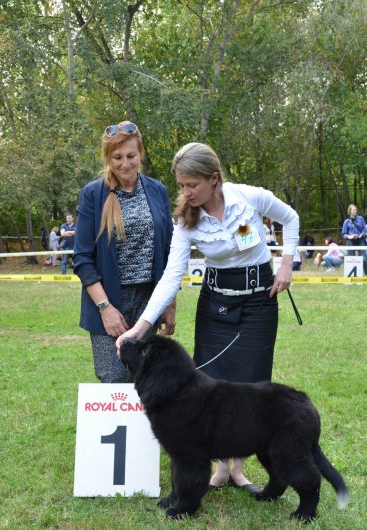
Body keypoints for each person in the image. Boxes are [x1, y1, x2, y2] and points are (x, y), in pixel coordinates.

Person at [117, 141, 299, 495]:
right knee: (210, 385)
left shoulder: (249, 198)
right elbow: (172, 276)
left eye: (192, 185)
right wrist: (141, 328)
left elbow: (290, 218)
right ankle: (219, 466)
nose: (185, 193)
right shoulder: (186, 220)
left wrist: (287, 264)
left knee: (250, 384)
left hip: (259, 303)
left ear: (214, 178)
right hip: (215, 305)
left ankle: (240, 469)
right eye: (181, 185)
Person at [73, 121, 175, 384]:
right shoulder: (93, 194)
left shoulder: (158, 190)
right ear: (108, 158)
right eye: (117, 158)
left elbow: (169, 252)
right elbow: (83, 259)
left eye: (131, 156)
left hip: (149, 301)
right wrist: (106, 309)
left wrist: (169, 304)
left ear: (140, 153)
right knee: (115, 379)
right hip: (107, 301)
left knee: (149, 380)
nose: (125, 164)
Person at [342, 204, 367, 275]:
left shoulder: (361, 218)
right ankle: (352, 275)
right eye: (354, 210)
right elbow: (344, 233)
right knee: (351, 259)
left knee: (364, 259)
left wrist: (361, 235)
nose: (355, 211)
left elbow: (365, 230)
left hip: (360, 240)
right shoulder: (346, 221)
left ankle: (366, 275)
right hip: (350, 241)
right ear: (350, 211)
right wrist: (349, 237)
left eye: (356, 209)